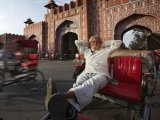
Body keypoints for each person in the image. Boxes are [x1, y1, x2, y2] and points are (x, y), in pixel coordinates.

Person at [45, 35, 122, 120]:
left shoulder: (106, 50)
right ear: (90, 43)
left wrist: (103, 43)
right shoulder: (87, 51)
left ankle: (63, 96)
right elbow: (77, 42)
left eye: (98, 42)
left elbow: (118, 43)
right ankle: (70, 109)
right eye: (94, 42)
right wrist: (89, 42)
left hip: (101, 74)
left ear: (101, 43)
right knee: (79, 82)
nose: (96, 43)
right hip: (86, 73)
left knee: (91, 83)